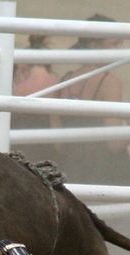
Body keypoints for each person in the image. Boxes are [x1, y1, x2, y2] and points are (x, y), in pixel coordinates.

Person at [50, 14, 130, 184]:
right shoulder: (108, 82)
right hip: (107, 174)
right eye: (114, 44)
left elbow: (59, 144)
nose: (121, 48)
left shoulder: (64, 81)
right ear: (93, 45)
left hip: (71, 174)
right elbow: (115, 144)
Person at [11, 35, 60, 162]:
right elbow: (57, 131)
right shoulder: (55, 83)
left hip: (15, 152)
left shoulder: (17, 88)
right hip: (47, 154)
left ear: (21, 67)